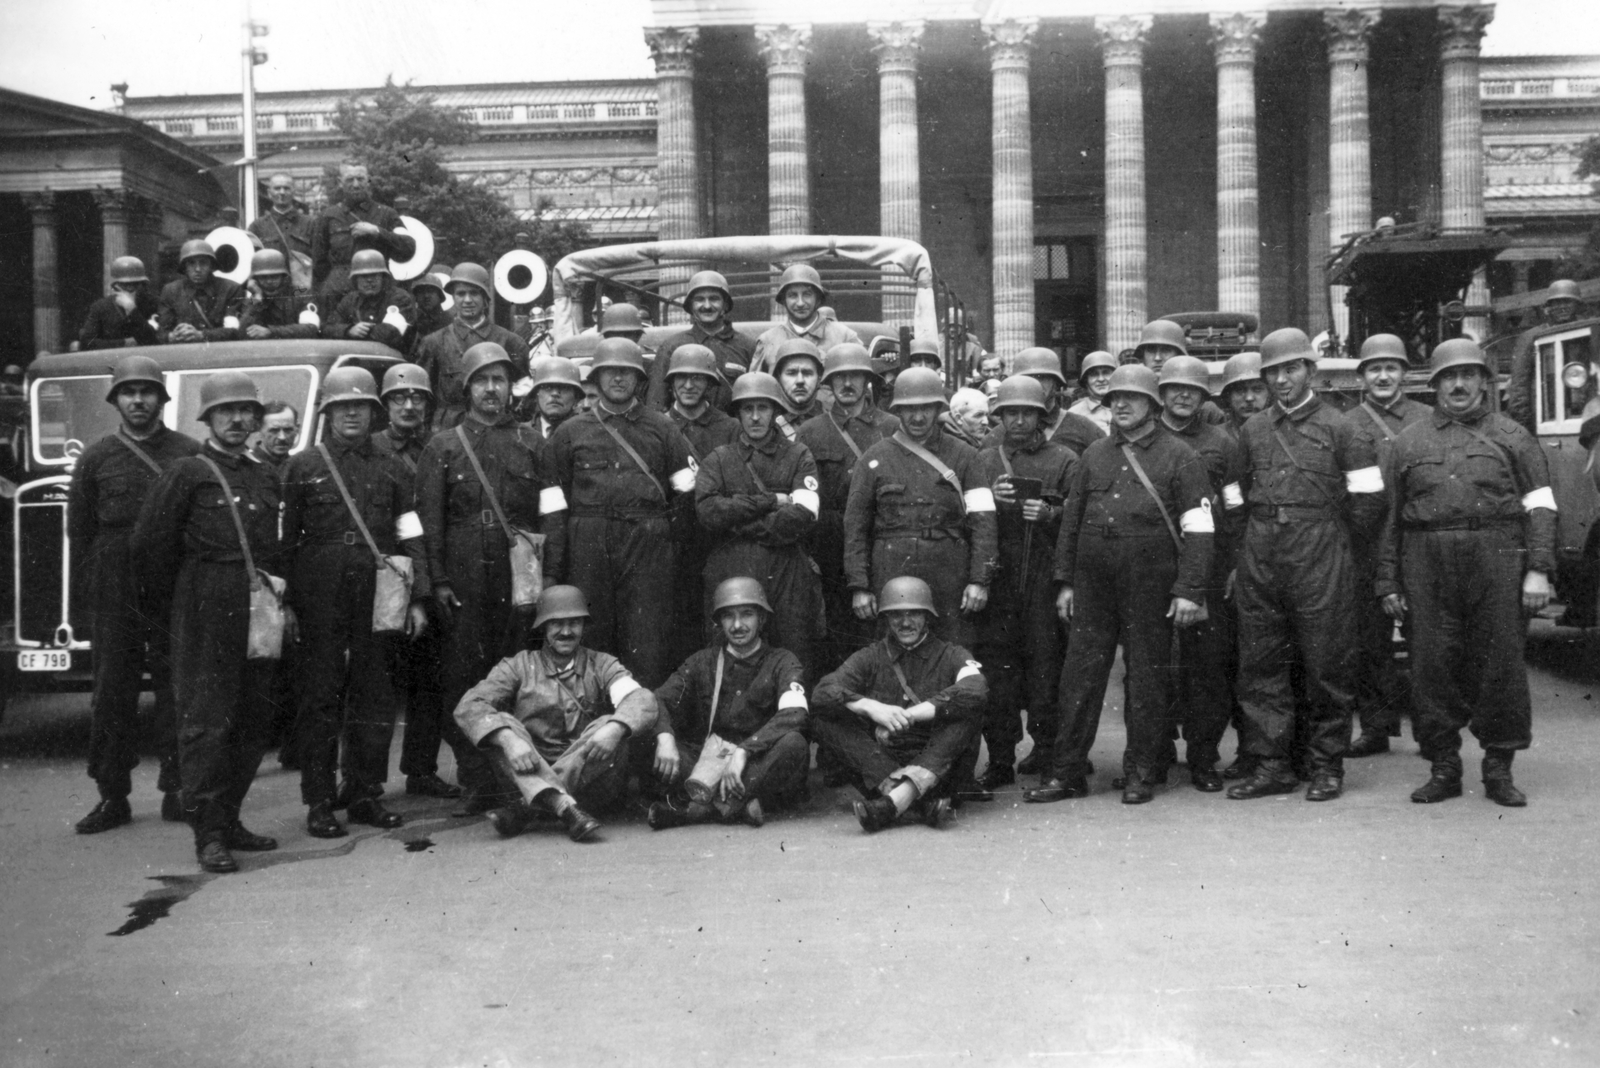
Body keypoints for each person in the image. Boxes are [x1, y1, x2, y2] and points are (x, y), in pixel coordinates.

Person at [1024, 365, 1214, 805]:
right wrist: (1066, 581)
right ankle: (1066, 772)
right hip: (1093, 584)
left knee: (1147, 677)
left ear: (1154, 404)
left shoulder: (1180, 456)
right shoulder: (1095, 454)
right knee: (1079, 676)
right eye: (1114, 399)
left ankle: (1142, 772)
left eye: (1132, 398)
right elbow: (1071, 521)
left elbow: (1201, 530)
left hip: (1150, 582)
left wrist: (1189, 589)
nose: (1121, 405)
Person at [1378, 339, 1555, 807]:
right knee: (1431, 664)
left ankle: (1498, 766)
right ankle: (1443, 766)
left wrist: (1538, 569)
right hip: (1425, 559)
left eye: (1468, 375)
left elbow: (1541, 506)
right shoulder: (1409, 442)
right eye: (1447, 377)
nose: (1458, 385)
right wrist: (1388, 580)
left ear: (1483, 381)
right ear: (1434, 385)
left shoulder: (1513, 436)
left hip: (1496, 556)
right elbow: (1392, 517)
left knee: (1500, 664)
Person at [131, 371, 290, 873]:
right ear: (209, 419)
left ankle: (231, 817)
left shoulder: (264, 475)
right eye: (227, 412)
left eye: (247, 411)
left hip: (256, 606)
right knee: (206, 724)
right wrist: (179, 609)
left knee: (253, 719)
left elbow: (273, 547)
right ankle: (209, 834)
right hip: (204, 606)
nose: (239, 419)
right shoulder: (187, 473)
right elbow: (149, 549)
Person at [1226, 327, 1385, 803]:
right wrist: (1249, 540)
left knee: (1325, 662)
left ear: (1310, 370)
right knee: (1261, 662)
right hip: (1262, 550)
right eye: (1273, 372)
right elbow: (1233, 494)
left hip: (1321, 550)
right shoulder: (1252, 430)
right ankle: (1272, 763)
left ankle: (1324, 765)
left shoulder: (1344, 428)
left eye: (1290, 368)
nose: (1281, 380)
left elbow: (1369, 501)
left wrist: (1332, 542)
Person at [282, 368, 429, 838]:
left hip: (379, 584)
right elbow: (285, 541)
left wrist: (417, 598)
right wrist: (285, 602)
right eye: (342, 405)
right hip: (319, 585)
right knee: (319, 696)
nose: (351, 412)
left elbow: (409, 534)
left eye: (360, 405)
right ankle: (320, 800)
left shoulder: (389, 465)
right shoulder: (304, 466)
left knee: (375, 693)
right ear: (326, 412)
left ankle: (364, 792)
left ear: (373, 412)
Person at [68, 356, 201, 834]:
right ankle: (112, 795)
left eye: (148, 391)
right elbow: (79, 535)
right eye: (129, 392)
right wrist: (88, 600)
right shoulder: (96, 457)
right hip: (114, 579)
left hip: (172, 578)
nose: (139, 400)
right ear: (116, 400)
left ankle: (178, 788)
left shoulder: (188, 452)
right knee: (112, 689)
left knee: (177, 686)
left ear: (163, 399)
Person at [417, 342, 549, 813]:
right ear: (467, 387)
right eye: (482, 380)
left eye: (499, 379)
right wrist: (438, 581)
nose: (492, 389)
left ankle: (521, 778)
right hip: (465, 573)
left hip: (518, 574)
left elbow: (549, 513)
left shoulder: (533, 442)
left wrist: (546, 575)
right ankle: (477, 780)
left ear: (511, 387)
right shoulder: (444, 445)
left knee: (519, 674)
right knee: (465, 678)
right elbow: (430, 520)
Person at [540, 337, 698, 688]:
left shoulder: (663, 429)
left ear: (639, 379)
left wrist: (667, 542)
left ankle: (642, 732)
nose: (618, 379)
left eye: (627, 372)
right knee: (593, 637)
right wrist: (554, 567)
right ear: (595, 378)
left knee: (647, 641)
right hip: (588, 544)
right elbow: (553, 507)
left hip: (648, 544)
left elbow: (687, 492)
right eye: (609, 371)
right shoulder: (569, 433)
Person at [453, 585, 656, 843]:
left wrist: (615, 728)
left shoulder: (603, 664)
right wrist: (508, 739)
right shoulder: (518, 666)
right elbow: (469, 705)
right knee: (500, 725)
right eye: (556, 624)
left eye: (574, 623)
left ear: (584, 626)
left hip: (590, 781)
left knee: (609, 723)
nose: (566, 631)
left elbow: (642, 700)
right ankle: (563, 806)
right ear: (543, 628)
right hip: (529, 765)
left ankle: (532, 804)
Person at [812, 576, 988, 831]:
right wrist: (871, 707)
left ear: (928, 616)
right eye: (896, 615)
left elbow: (977, 688)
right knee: (823, 719)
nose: (905, 623)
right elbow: (823, 691)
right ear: (885, 619)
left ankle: (892, 803)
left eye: (914, 613)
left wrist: (913, 715)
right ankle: (916, 800)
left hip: (938, 762)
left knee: (969, 711)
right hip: (883, 764)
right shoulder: (870, 657)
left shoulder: (952, 655)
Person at [972, 376, 1076, 790]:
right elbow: (968, 513)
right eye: (1010, 412)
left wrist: (1051, 512)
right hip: (998, 575)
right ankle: (999, 758)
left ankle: (1047, 752)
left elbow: (1081, 513)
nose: (1018, 420)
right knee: (997, 670)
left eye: (1027, 412)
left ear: (1040, 415)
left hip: (1042, 574)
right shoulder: (982, 460)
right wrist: (991, 500)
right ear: (999, 415)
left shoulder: (1064, 459)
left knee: (1045, 668)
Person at [844, 366, 998, 645]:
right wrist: (859, 586)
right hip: (890, 572)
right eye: (908, 408)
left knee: (952, 648)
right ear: (897, 410)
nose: (917, 417)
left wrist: (979, 581)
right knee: (891, 652)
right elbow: (856, 527)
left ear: (938, 408)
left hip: (949, 575)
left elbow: (983, 523)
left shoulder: (965, 456)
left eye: (926, 408)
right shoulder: (874, 458)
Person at [647, 577, 811, 829]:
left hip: (758, 762)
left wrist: (745, 751)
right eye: (728, 617)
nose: (737, 625)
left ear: (762, 619)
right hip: (709, 762)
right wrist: (665, 738)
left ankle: (698, 810)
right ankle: (739, 805)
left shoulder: (782, 661)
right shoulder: (702, 662)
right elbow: (658, 699)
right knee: (651, 737)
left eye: (746, 615)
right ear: (719, 622)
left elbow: (795, 713)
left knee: (794, 744)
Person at [1155, 356, 1245, 790]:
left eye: (1192, 388)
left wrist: (1233, 566)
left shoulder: (1222, 443)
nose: (1183, 395)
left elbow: (1235, 510)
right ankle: (1154, 753)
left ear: (1204, 395)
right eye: (1174, 388)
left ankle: (1204, 758)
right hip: (1152, 568)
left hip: (1208, 567)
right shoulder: (1141, 438)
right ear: (1162, 393)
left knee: (1207, 669)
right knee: (1151, 666)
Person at [695, 372, 822, 680]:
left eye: (762, 408)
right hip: (731, 566)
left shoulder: (798, 455)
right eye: (747, 409)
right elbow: (708, 513)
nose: (754, 417)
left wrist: (738, 523)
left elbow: (804, 515)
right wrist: (768, 501)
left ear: (775, 411)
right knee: (729, 651)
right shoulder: (719, 459)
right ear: (737, 412)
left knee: (792, 646)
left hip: (786, 568)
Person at [370, 364, 458, 800]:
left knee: (429, 681)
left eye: (417, 398)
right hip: (386, 575)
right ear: (385, 405)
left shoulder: (440, 447)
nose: (409, 405)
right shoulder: (371, 450)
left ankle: (420, 770)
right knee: (378, 685)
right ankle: (363, 781)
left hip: (430, 570)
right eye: (400, 399)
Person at [1341, 334, 1428, 758]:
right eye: (1374, 369)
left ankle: (1432, 731)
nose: (1383, 376)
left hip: (1418, 542)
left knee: (1426, 639)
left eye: (1391, 368)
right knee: (1368, 640)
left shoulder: (1428, 418)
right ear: (1362, 376)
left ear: (1405, 375)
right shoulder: (1347, 424)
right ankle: (1376, 727)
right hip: (1365, 543)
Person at [796, 343, 900, 670]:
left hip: (882, 540)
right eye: (839, 377)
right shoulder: (810, 432)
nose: (847, 384)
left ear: (868, 380)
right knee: (836, 632)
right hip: (830, 545)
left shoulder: (891, 427)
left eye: (855, 375)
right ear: (828, 383)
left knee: (885, 627)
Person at [661, 344, 738, 670]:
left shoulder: (729, 427)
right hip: (674, 539)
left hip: (719, 537)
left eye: (698, 378)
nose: (689, 386)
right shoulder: (658, 424)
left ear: (710, 384)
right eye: (681, 378)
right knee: (676, 624)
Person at [414, 263, 530, 430]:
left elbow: (523, 398)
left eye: (474, 293)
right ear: (453, 298)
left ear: (485, 298)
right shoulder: (433, 342)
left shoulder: (511, 342)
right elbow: (423, 396)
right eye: (461, 294)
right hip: (449, 429)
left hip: (496, 427)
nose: (467, 300)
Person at [648, 270, 755, 411]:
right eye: (699, 299)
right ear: (691, 306)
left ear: (726, 305)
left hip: (733, 430)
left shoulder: (746, 346)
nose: (707, 306)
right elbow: (656, 403)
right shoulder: (672, 346)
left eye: (714, 299)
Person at [310, 162, 416, 302]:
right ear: (340, 183)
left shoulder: (386, 214)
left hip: (380, 293)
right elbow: (319, 264)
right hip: (339, 293)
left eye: (360, 179)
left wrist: (377, 231)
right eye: (349, 180)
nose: (355, 185)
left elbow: (408, 248)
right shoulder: (328, 216)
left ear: (368, 181)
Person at [980, 348, 1104, 458]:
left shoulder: (1084, 430)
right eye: (1029, 378)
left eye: (1042, 377)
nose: (1036, 383)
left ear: (1056, 382)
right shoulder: (995, 438)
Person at [1506, 279, 1585, 434]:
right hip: (1544, 419)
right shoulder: (1532, 337)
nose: (1562, 307)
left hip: (1582, 413)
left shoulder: (1587, 332)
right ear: (1548, 308)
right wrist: (1526, 426)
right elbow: (1519, 386)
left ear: (1577, 305)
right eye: (1556, 303)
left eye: (1567, 302)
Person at [751, 265, 860, 374]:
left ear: (817, 298)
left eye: (807, 294)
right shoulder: (767, 341)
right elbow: (755, 387)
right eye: (792, 295)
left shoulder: (844, 337)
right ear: (784, 300)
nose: (800, 303)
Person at [323, 250, 417, 349]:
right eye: (364, 276)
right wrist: (348, 330)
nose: (369, 280)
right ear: (355, 279)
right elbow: (327, 328)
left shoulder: (399, 298)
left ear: (382, 277)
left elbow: (390, 333)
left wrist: (361, 332)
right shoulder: (350, 299)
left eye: (374, 275)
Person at [157, 240, 244, 344]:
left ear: (211, 266)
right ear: (184, 267)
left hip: (219, 351)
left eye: (203, 262)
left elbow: (234, 331)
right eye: (191, 263)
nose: (197, 269)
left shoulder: (230, 289)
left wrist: (201, 335)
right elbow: (161, 332)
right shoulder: (171, 291)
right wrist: (172, 336)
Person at [248, 172, 312, 291]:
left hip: (301, 291)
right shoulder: (257, 226)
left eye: (286, 188)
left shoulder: (310, 223)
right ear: (269, 192)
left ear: (294, 191)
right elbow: (249, 262)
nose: (282, 192)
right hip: (269, 293)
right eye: (277, 188)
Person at [78, 256, 158, 350]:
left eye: (135, 284)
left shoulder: (153, 304)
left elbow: (156, 341)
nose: (130, 289)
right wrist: (124, 343)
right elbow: (86, 343)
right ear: (115, 286)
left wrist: (132, 310)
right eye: (125, 285)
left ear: (142, 284)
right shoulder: (101, 307)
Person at [241, 250, 319, 339]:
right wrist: (257, 300)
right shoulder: (254, 299)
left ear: (283, 277)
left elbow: (311, 328)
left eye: (274, 276)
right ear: (255, 279)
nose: (269, 281)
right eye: (263, 277)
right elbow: (242, 334)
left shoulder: (302, 294)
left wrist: (271, 331)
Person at [770, 337, 827, 438]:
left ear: (819, 378)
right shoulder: (767, 423)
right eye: (791, 373)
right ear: (778, 378)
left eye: (807, 373)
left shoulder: (831, 420)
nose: (800, 381)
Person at [527, 356, 586, 441]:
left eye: (564, 387)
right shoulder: (520, 433)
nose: (555, 394)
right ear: (536, 394)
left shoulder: (586, 434)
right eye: (547, 387)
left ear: (576, 398)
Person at [1217, 351, 1270, 435]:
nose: (1249, 398)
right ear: (1228, 396)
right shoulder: (1216, 437)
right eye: (1240, 390)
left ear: (1269, 393)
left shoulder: (1283, 433)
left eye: (1257, 390)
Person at [1065, 351, 1117, 435]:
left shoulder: (1125, 407)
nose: (1101, 379)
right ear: (1086, 380)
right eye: (1094, 374)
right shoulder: (1075, 413)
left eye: (1106, 372)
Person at [408, 265, 455, 352]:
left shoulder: (448, 321)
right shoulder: (412, 320)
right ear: (416, 297)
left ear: (440, 296)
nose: (426, 296)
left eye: (431, 291)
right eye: (421, 292)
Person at [252, 402, 299, 476]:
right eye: (274, 430)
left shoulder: (299, 468)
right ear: (259, 432)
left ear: (297, 431)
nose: (282, 437)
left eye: (288, 430)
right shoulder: (247, 467)